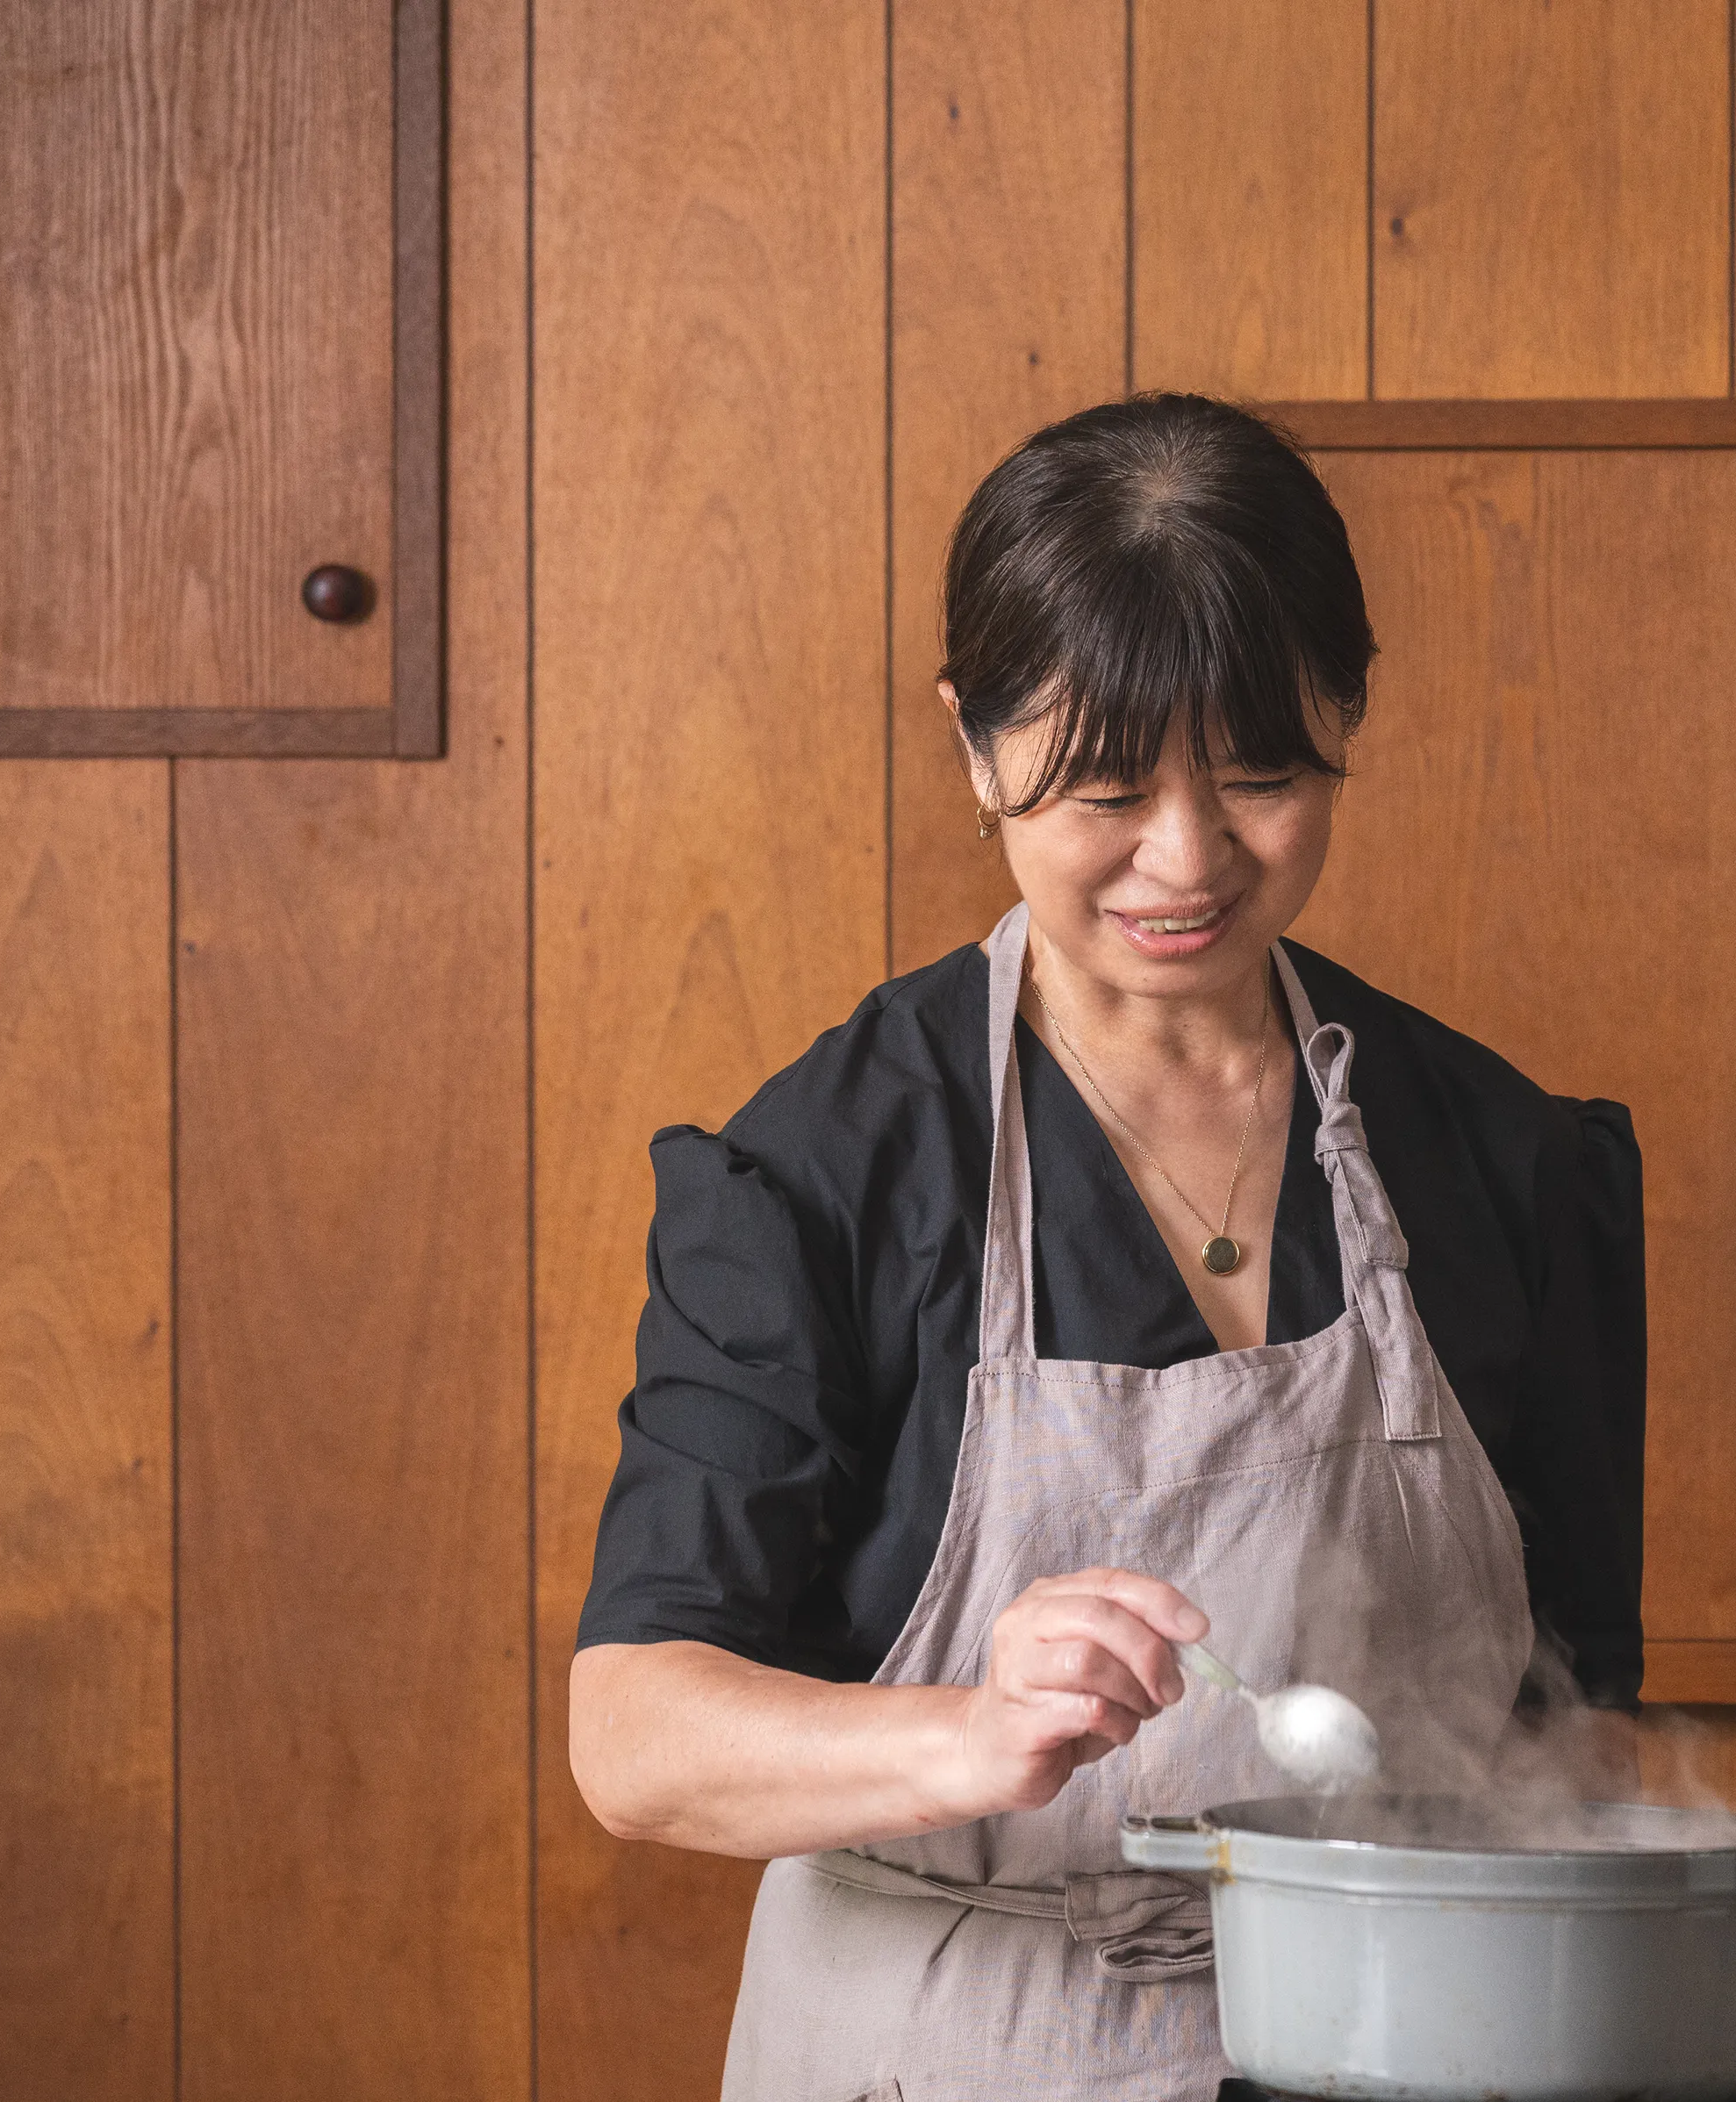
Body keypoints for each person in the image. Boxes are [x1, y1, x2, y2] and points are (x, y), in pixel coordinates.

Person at [568, 392, 1645, 2101]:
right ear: (977, 745)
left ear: (1347, 719)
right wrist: (970, 1736)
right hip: (943, 2056)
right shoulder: (831, 1169)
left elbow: (1572, 1726)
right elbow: (634, 1736)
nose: (1188, 858)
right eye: (1105, 787)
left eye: (1260, 777)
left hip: (1398, 2046)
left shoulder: (1500, 1158)